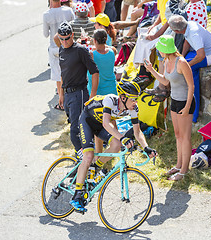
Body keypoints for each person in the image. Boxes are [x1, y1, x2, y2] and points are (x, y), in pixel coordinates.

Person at [70, 80, 157, 212]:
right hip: (87, 120)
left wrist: (146, 147)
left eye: (136, 99)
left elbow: (137, 132)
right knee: (88, 156)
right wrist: (123, 138)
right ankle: (76, 196)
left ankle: (96, 166)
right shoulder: (110, 100)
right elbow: (106, 123)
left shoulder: (133, 109)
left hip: (101, 125)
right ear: (123, 97)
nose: (136, 103)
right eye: (133, 99)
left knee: (116, 145)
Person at [144, 36, 194, 181]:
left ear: (166, 49)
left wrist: (188, 106)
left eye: (160, 48)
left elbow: (191, 86)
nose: (158, 50)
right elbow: (166, 81)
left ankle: (184, 170)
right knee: (178, 134)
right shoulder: (166, 61)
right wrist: (151, 70)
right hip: (175, 100)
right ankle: (179, 165)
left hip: (185, 101)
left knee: (185, 137)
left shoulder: (182, 62)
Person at [57, 22, 100, 160]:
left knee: (76, 130)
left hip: (79, 93)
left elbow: (95, 72)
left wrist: (92, 95)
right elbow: (63, 73)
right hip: (68, 94)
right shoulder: (61, 49)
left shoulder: (80, 50)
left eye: (67, 38)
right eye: (61, 39)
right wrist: (61, 93)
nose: (64, 41)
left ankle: (84, 160)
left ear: (73, 35)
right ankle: (83, 158)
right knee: (75, 127)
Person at [168, 15, 211, 123]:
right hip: (202, 52)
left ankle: (194, 113)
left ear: (177, 31)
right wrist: (181, 57)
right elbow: (187, 42)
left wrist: (187, 66)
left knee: (189, 72)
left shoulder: (194, 33)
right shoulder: (187, 26)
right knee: (182, 64)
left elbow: (200, 56)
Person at [43, 0, 75, 110]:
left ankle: (61, 101)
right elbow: (74, 27)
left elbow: (46, 34)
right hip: (67, 45)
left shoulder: (47, 14)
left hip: (54, 47)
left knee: (58, 75)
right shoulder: (69, 10)